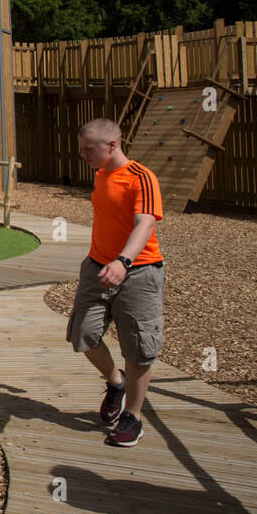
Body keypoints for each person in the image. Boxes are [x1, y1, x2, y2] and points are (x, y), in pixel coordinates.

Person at [67, 117, 165, 448]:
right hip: (96, 268)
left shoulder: (142, 177)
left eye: (88, 149)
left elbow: (145, 223)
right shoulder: (100, 174)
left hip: (139, 271)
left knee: (137, 346)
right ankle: (115, 382)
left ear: (112, 145)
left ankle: (133, 416)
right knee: (83, 333)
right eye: (81, 150)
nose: (83, 156)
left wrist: (123, 261)